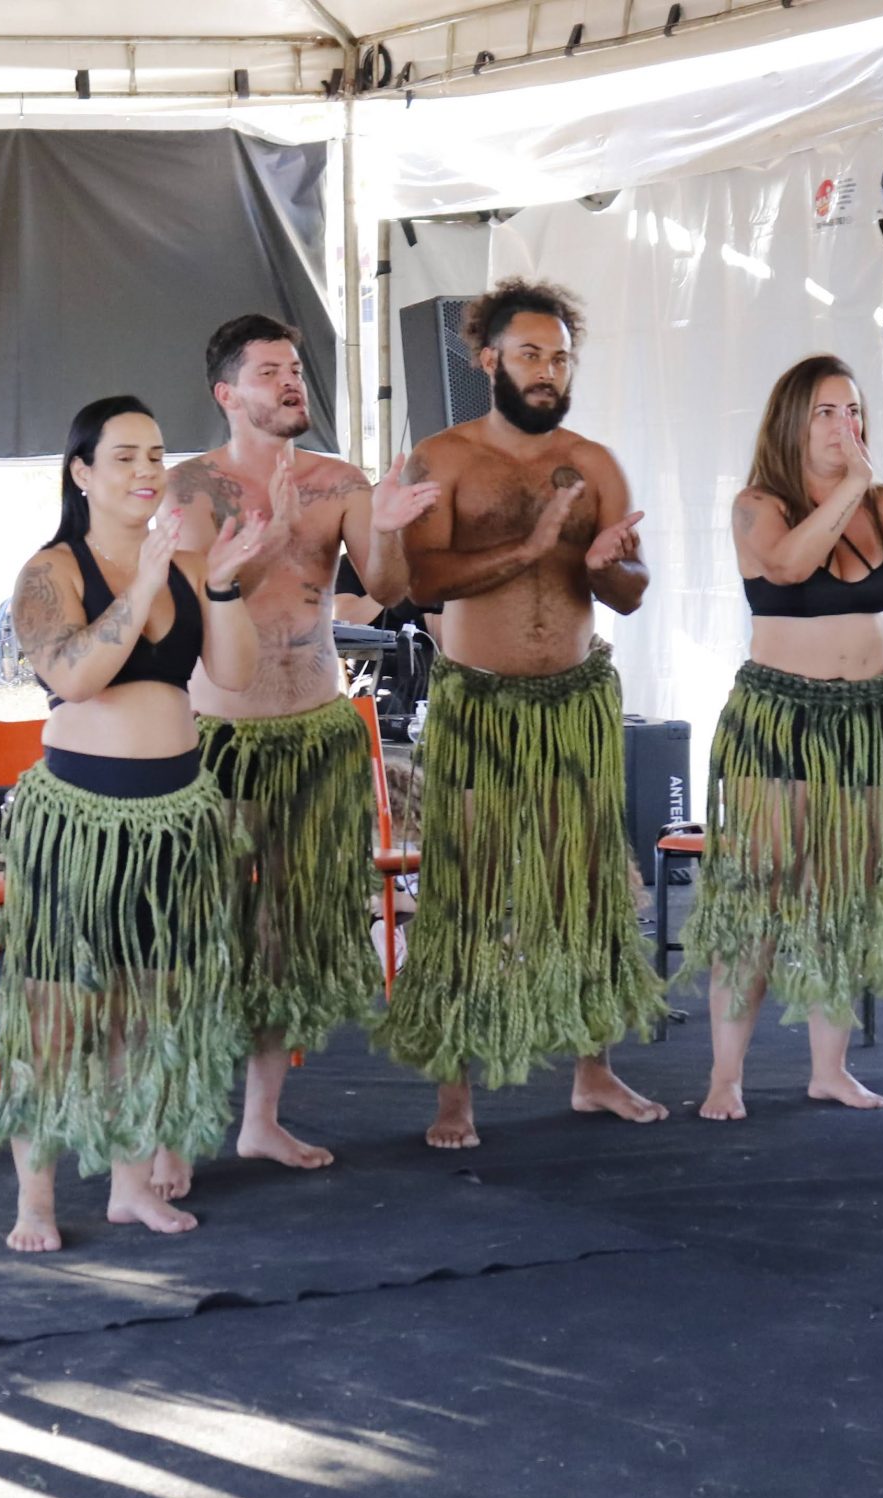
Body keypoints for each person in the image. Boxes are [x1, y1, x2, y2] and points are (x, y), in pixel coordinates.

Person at [0, 395, 266, 1250]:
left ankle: (131, 1187)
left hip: (175, 816)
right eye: (125, 456)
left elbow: (234, 674)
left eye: (156, 455)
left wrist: (219, 584)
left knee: (150, 1006)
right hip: (81, 819)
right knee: (57, 1010)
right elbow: (73, 677)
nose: (146, 471)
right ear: (82, 472)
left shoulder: (188, 561)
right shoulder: (50, 571)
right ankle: (35, 1202)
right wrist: (140, 584)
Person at [379, 277, 669, 1148]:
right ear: (488, 360)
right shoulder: (442, 459)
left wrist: (609, 565)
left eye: (561, 359)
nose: (548, 372)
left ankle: (594, 1072)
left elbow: (630, 593)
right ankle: (454, 1094)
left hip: (574, 702)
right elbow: (422, 580)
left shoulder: (596, 463)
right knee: (466, 894)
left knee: (585, 890)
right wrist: (534, 545)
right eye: (531, 355)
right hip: (480, 705)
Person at [169, 314, 438, 1178]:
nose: (292, 381)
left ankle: (261, 1120)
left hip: (315, 734)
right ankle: (172, 1133)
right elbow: (186, 612)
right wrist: (266, 537)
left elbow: (388, 586)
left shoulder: (338, 480)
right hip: (218, 741)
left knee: (286, 935)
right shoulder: (187, 490)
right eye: (269, 371)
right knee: (201, 935)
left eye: (294, 368)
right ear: (226, 393)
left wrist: (385, 524)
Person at [685, 356, 883, 1119]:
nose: (846, 426)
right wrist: (848, 488)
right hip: (780, 717)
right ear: (793, 424)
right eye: (827, 413)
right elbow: (787, 563)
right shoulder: (757, 505)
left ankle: (828, 1069)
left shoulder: (882, 502)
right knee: (759, 894)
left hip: (864, 721)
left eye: (854, 411)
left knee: (842, 894)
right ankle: (726, 1075)